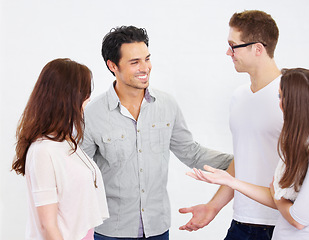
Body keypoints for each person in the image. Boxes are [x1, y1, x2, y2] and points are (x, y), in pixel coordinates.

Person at [81, 25, 234, 240]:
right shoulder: (93, 114)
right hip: (112, 231)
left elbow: (192, 153)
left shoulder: (167, 105)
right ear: (112, 65)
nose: (145, 67)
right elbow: (80, 173)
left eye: (147, 58)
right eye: (135, 62)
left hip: (157, 229)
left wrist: (239, 164)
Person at [188, 68, 309, 240]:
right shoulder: (303, 144)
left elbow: (298, 219)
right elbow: (280, 200)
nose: (279, 104)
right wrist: (230, 181)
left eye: (281, 97)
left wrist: (277, 196)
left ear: (296, 103)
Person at [179, 10, 283, 239]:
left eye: (233, 45)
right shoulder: (239, 96)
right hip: (241, 223)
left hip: (281, 226)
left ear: (258, 48)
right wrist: (213, 207)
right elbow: (243, 159)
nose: (228, 52)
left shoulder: (292, 94)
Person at [12, 58, 109, 240]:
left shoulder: (67, 141)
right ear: (68, 98)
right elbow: (47, 226)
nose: (88, 100)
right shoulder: (43, 150)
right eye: (85, 94)